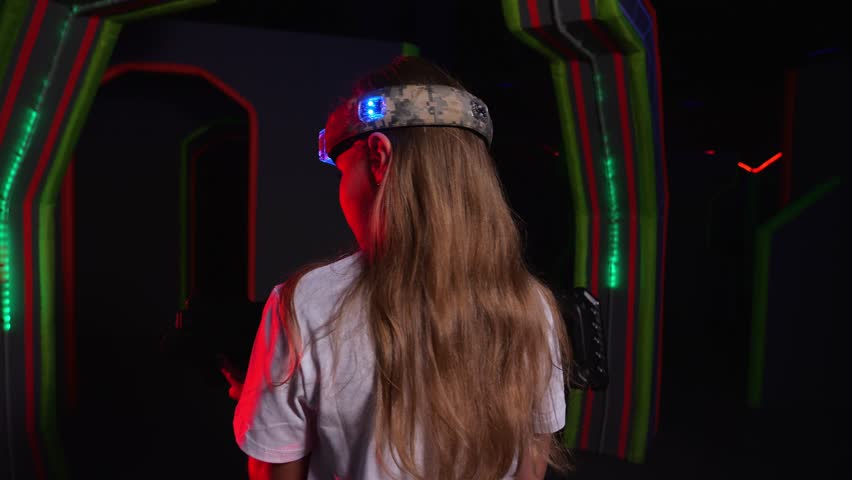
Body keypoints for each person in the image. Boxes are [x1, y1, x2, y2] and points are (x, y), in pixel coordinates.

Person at [230, 56, 573, 480]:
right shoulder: (531, 305)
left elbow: (275, 473)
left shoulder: (304, 305)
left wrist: (270, 406)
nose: (341, 191)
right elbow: (531, 466)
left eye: (342, 172)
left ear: (377, 156)